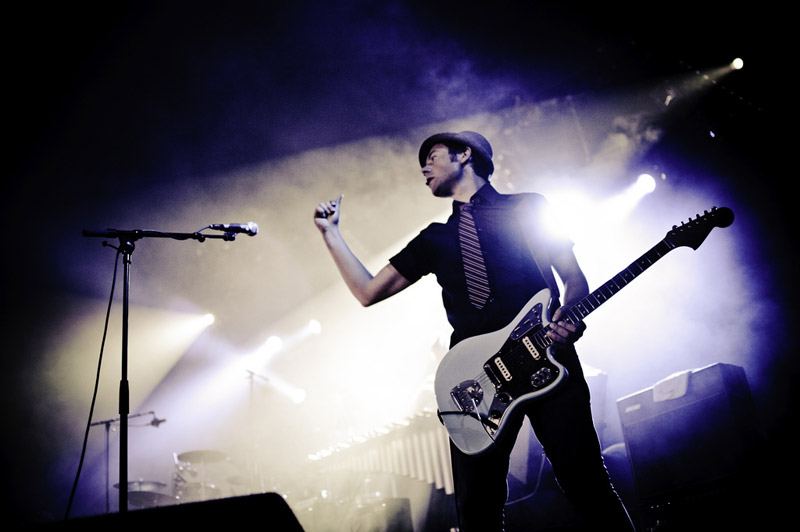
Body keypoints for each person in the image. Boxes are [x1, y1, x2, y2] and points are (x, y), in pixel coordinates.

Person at [313, 131, 635, 531]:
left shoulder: (528, 207)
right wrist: (330, 234)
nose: (423, 168)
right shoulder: (434, 239)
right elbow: (367, 291)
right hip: (475, 380)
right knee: (478, 508)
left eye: (432, 156)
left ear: (465, 154)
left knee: (586, 481)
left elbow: (572, 276)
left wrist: (567, 317)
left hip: (549, 360)